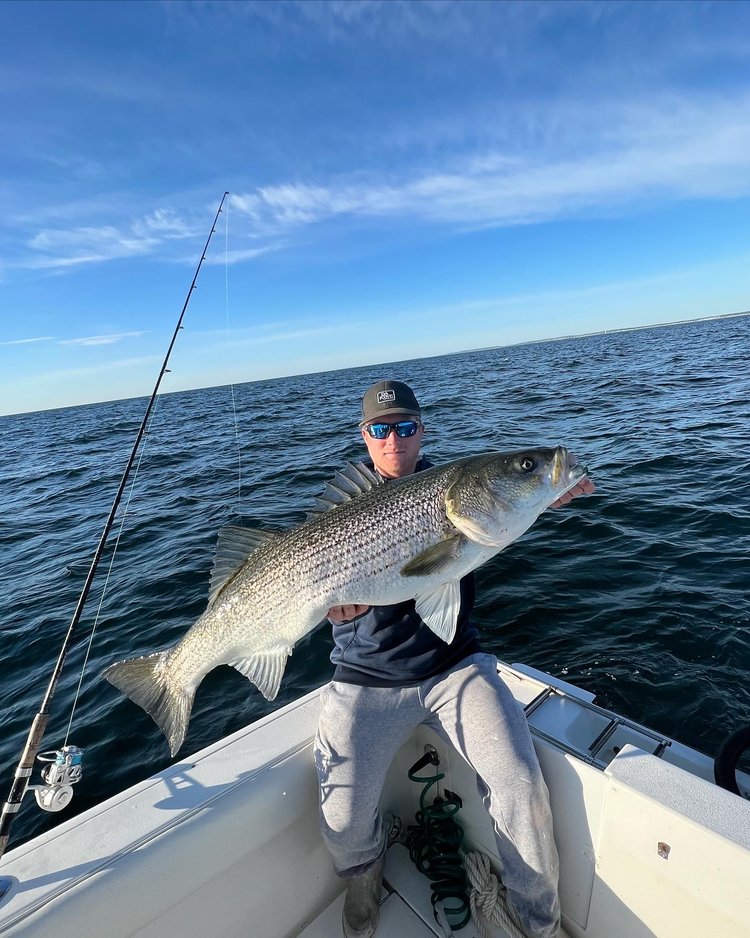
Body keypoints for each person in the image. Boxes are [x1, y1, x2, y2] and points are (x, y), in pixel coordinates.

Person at [313, 379, 595, 938]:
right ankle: (363, 876)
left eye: (405, 426)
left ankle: (538, 921)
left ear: (423, 430)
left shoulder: (460, 488)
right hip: (364, 677)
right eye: (380, 428)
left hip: (457, 667)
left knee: (519, 782)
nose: (393, 438)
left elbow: (498, 517)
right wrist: (329, 610)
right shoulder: (341, 511)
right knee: (342, 816)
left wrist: (544, 488)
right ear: (364, 436)